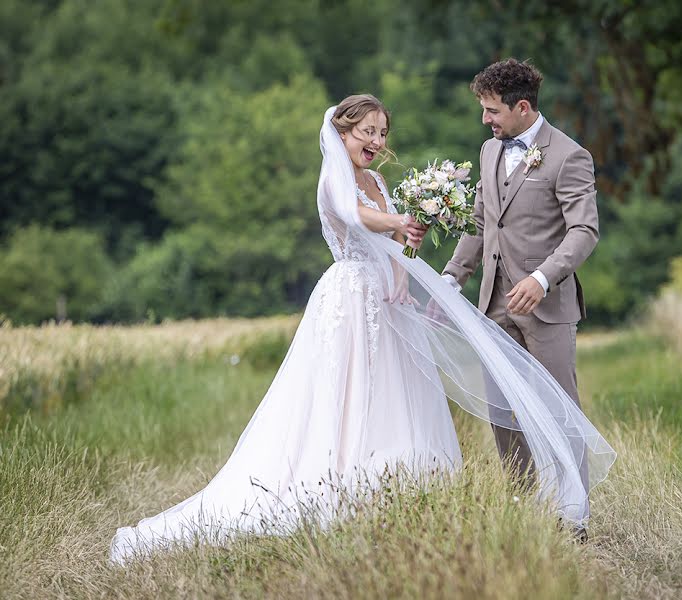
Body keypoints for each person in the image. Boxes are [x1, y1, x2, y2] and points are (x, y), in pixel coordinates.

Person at [110, 94, 615, 565]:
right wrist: (398, 226)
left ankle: (447, 494)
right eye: (366, 133)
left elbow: (395, 247)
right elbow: (353, 217)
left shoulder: (379, 182)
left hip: (388, 302)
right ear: (342, 133)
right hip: (349, 299)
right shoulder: (335, 178)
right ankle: (340, 484)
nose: (375, 142)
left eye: (381, 132)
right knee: (347, 394)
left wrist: (404, 269)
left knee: (400, 396)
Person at [440, 59, 600, 538]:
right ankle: (521, 505)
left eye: (492, 111)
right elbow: (482, 221)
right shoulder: (490, 152)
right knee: (504, 412)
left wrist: (543, 278)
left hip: (547, 308)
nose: (486, 120)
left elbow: (584, 230)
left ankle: (574, 515)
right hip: (493, 305)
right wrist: (452, 276)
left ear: (523, 107)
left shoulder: (570, 157)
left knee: (558, 408)